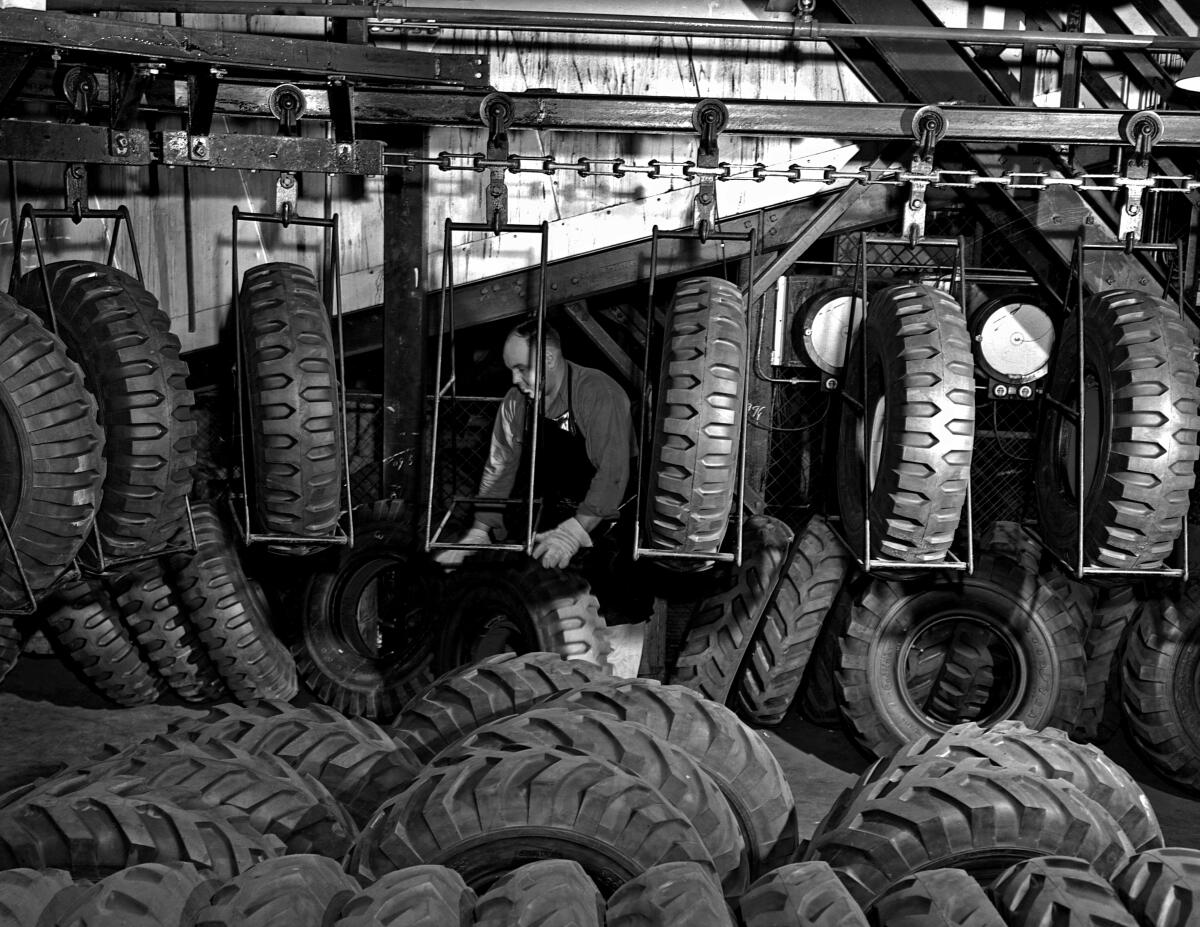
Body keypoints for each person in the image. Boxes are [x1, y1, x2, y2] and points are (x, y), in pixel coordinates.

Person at [434, 318, 637, 571]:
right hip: (557, 505)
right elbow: (499, 467)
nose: (514, 379)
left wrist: (574, 531)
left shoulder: (597, 392)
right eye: (511, 370)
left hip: (613, 509)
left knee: (616, 590)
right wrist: (480, 529)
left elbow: (612, 471)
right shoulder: (515, 402)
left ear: (549, 359)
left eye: (521, 368)